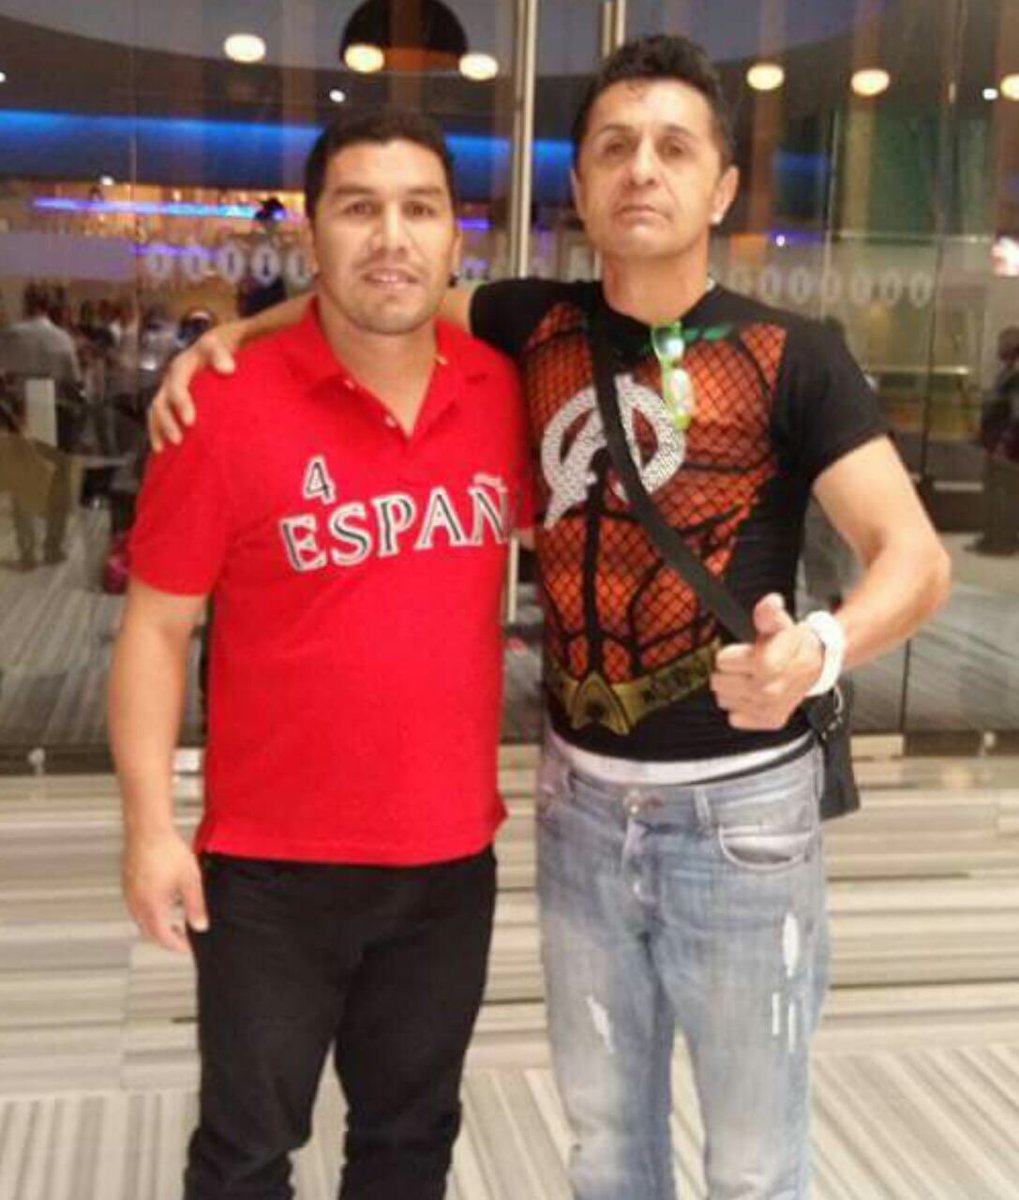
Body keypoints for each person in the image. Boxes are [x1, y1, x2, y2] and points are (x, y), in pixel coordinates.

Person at [149, 35, 951, 1200]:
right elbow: (380, 291)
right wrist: (231, 337)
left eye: (673, 148)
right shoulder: (528, 322)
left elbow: (914, 561)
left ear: (721, 187)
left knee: (751, 1157)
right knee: (605, 1142)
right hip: (578, 807)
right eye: (614, 147)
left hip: (742, 814)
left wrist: (819, 649)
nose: (641, 169)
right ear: (578, 185)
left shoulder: (794, 356)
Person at [109, 108, 531, 1200]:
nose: (390, 236)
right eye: (358, 208)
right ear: (311, 233)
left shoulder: (504, 392)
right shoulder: (221, 408)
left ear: (453, 238)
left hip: (447, 860)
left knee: (408, 1145)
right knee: (246, 1154)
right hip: (269, 871)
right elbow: (156, 630)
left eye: (418, 209)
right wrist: (149, 829)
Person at [0, 282, 83, 568]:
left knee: (21, 482)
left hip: (20, 411)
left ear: (27, 303)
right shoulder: (62, 339)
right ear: (50, 306)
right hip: (56, 412)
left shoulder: (11, 335)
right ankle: (53, 547)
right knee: (58, 482)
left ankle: (27, 552)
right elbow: (74, 382)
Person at [971, 325, 1019, 556]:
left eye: (1004, 342)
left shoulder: (1016, 375)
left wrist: (1005, 443)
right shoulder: (1008, 372)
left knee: (1003, 493)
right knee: (996, 491)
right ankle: (992, 536)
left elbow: (1016, 414)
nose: (998, 347)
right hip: (998, 443)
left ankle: (1001, 540)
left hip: (1007, 446)